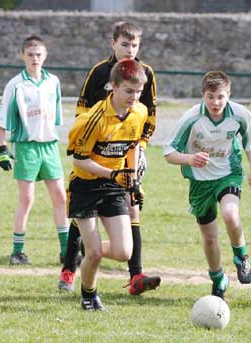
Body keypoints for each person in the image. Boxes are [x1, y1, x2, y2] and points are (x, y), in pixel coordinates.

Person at [58, 21, 160, 295]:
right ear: (112, 43)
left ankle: (134, 272)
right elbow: (82, 113)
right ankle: (72, 266)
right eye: (124, 44)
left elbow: (147, 117)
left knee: (131, 211)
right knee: (86, 230)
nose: (129, 49)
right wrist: (100, 132)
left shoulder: (142, 85)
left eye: (134, 45)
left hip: (125, 156)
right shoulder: (99, 75)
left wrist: (135, 165)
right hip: (91, 164)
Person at [163, 71, 251, 299]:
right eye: (210, 97)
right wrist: (190, 159)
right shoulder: (191, 118)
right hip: (200, 182)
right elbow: (168, 152)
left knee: (230, 213)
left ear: (229, 95)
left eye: (220, 97)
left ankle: (241, 257)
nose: (215, 102)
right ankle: (218, 279)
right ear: (202, 95)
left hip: (229, 173)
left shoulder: (239, 114)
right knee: (209, 238)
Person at [67, 58, 148, 310]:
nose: (134, 96)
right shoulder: (93, 120)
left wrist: (133, 180)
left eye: (138, 91)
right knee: (94, 255)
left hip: (112, 185)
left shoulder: (139, 113)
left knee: (124, 252)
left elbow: (133, 146)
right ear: (112, 86)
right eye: (128, 91)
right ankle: (89, 295)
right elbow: (80, 162)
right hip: (84, 185)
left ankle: (87, 246)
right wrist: (112, 175)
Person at [0, 35, 69, 266]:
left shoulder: (53, 82)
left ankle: (67, 251)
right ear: (22, 56)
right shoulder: (15, 84)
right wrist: (2, 149)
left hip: (49, 146)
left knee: (60, 196)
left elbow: (55, 117)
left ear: (45, 56)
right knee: (26, 199)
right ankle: (18, 251)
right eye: (30, 55)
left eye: (39, 54)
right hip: (26, 146)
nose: (35, 59)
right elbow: (1, 120)